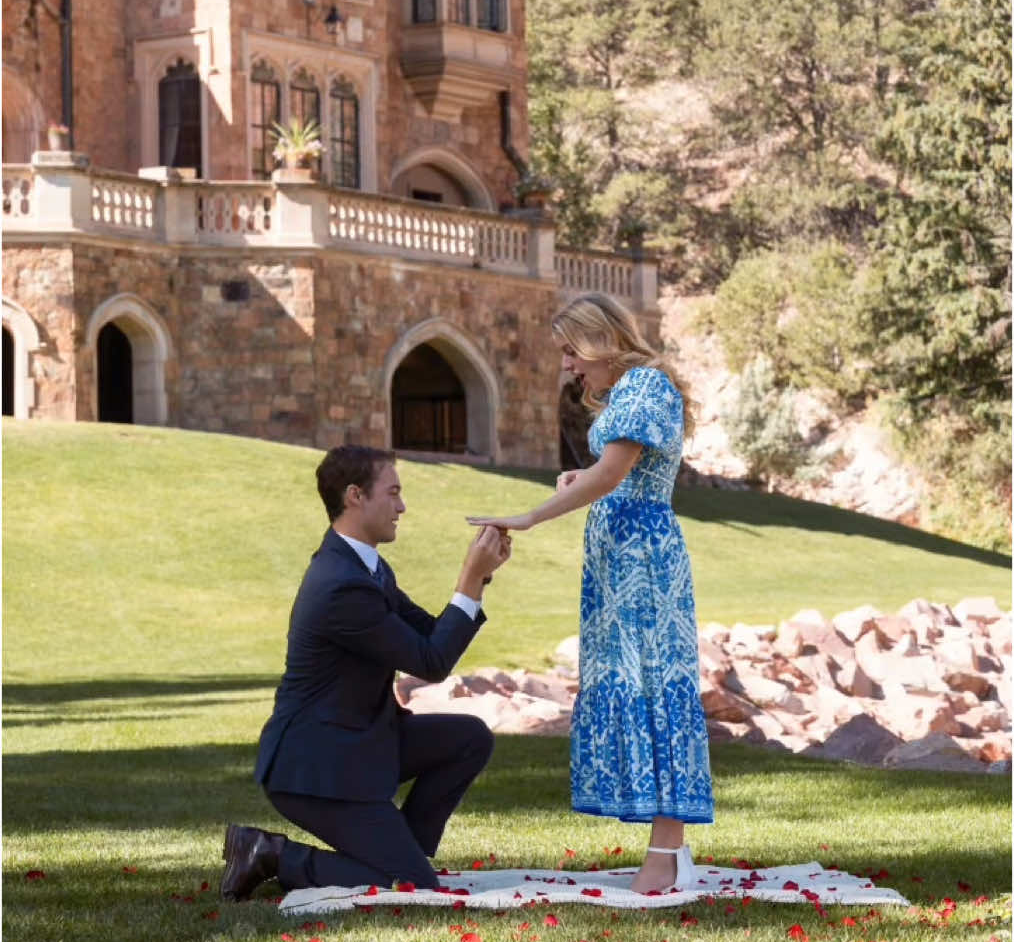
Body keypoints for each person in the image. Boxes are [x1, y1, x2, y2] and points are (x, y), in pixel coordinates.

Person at [467, 293, 713, 895]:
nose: (570, 367)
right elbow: (617, 472)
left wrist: (531, 516)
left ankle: (666, 850)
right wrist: (586, 480)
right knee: (635, 682)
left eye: (573, 351)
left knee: (654, 684)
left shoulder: (645, 387)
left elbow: (613, 475)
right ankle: (667, 851)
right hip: (620, 558)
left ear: (603, 341)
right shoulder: (632, 393)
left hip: (642, 561)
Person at [221, 444, 510, 900]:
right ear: (355, 496)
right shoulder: (341, 585)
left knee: (469, 738)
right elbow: (431, 664)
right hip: (315, 767)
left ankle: (401, 850)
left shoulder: (365, 568)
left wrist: (479, 577)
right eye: (392, 492)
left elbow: (432, 637)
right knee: (407, 887)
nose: (402, 506)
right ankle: (271, 853)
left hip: (360, 745)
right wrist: (468, 580)